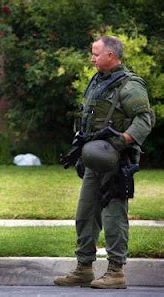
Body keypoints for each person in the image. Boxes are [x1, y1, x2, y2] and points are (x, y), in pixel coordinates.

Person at [54, 36, 153, 289]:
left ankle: (116, 271)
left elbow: (144, 119)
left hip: (116, 164)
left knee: (113, 216)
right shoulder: (98, 81)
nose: (92, 58)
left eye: (96, 53)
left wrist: (122, 141)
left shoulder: (129, 86)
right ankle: (84, 268)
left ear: (111, 55)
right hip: (94, 161)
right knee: (85, 213)